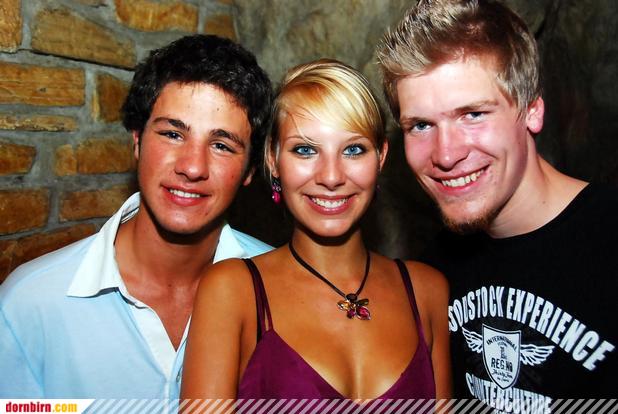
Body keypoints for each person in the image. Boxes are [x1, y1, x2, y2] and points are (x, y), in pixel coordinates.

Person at [0, 34, 273, 398]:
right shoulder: (29, 305)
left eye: (221, 145)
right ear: (137, 141)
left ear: (250, 170)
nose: (193, 167)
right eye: (173, 134)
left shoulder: (280, 290)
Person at [377, 0, 617, 407]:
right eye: (421, 125)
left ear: (532, 111)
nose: (446, 154)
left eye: (472, 114)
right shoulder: (434, 271)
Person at [181, 59, 451, 404]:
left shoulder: (427, 291)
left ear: (381, 157)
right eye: (305, 150)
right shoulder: (232, 291)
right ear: (273, 159)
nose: (331, 177)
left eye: (353, 150)